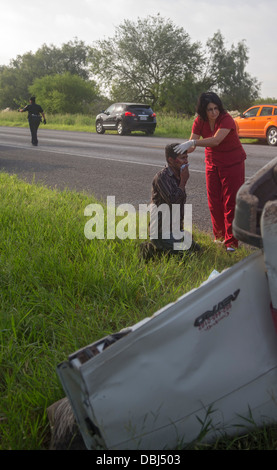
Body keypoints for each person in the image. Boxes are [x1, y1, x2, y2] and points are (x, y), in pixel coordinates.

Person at [174, 92, 246, 252]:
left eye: (216, 108)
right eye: (209, 109)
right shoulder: (199, 121)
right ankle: (219, 238)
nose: (214, 112)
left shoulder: (226, 119)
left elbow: (216, 140)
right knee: (214, 201)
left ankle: (231, 243)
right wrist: (180, 151)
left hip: (232, 163)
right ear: (203, 111)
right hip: (212, 163)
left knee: (230, 202)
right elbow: (191, 146)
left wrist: (193, 142)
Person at [141, 143, 200, 259]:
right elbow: (173, 203)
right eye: (182, 158)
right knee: (186, 257)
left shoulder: (178, 176)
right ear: (171, 160)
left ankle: (166, 246)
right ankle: (152, 248)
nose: (186, 162)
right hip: (161, 231)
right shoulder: (162, 177)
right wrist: (183, 182)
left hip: (174, 229)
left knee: (196, 250)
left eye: (187, 158)